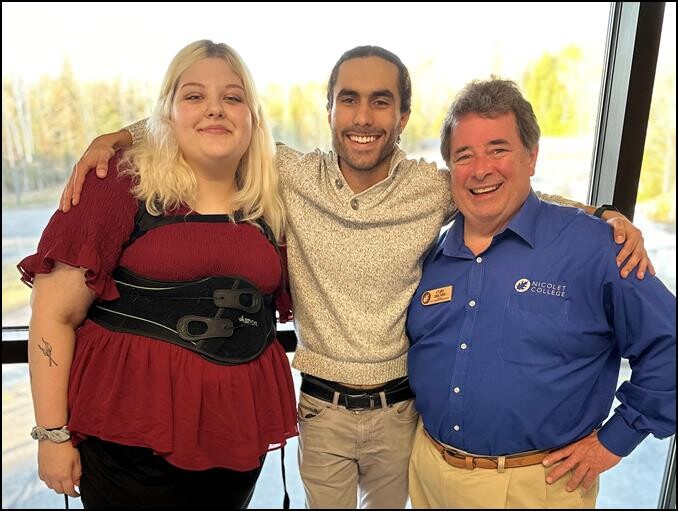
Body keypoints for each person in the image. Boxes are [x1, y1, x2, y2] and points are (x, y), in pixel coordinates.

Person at [59, 46, 653, 509]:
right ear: (330, 110)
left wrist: (603, 215)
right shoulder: (291, 174)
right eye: (348, 99)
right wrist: (124, 134)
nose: (363, 117)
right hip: (320, 412)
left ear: (402, 114)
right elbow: (212, 120)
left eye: (379, 101)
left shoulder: (432, 186)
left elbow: (506, 187)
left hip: (402, 416)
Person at [18, 40, 298, 509]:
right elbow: (53, 315)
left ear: (253, 116)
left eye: (233, 98)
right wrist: (52, 435)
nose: (215, 109)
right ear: (166, 114)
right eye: (193, 96)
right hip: (125, 440)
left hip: (233, 441)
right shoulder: (120, 183)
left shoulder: (273, 198)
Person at [406, 78, 676, 509]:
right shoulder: (430, 255)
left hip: (538, 487)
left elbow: (670, 345)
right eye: (464, 155)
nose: (480, 169)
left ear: (531, 156)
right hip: (428, 473)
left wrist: (615, 440)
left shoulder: (594, 247)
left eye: (498, 149)